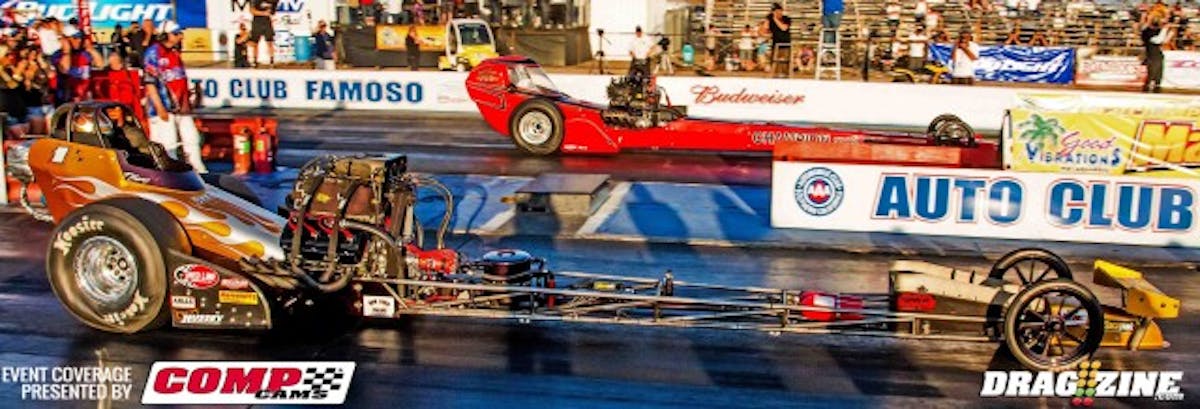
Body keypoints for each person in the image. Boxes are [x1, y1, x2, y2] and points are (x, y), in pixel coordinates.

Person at [143, 21, 206, 173]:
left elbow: (180, 79)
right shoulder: (153, 53)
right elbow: (150, 83)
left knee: (192, 139)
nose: (180, 37)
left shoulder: (175, 53)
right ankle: (171, 174)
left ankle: (198, 170)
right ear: (165, 35)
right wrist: (159, 108)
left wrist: (189, 102)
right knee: (168, 143)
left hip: (181, 107)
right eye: (176, 33)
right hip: (163, 107)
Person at [51, 25, 102, 103]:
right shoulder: (58, 55)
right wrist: (67, 50)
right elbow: (64, 69)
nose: (79, 40)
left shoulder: (84, 54)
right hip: (66, 99)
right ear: (66, 39)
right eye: (75, 38)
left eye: (80, 37)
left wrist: (91, 49)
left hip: (84, 98)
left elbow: (100, 64)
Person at [101, 52, 144, 121]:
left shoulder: (130, 74)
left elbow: (136, 91)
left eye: (116, 62)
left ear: (121, 62)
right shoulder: (107, 75)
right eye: (113, 63)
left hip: (130, 105)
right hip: (115, 105)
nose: (115, 64)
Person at [1142, 17, 1171, 93]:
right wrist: (1165, 29)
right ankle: (1147, 88)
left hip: (1158, 54)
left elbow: (1163, 41)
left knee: (1158, 74)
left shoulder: (1154, 31)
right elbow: (1158, 40)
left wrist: (1169, 34)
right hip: (1152, 55)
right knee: (1152, 73)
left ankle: (1156, 88)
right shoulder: (1147, 32)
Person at [248, 0, 279, 67]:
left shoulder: (272, 1)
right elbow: (252, 11)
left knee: (270, 42)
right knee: (255, 43)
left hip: (267, 22)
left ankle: (272, 61)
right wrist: (264, 13)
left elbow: (272, 12)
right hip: (257, 22)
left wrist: (271, 11)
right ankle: (255, 61)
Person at [765, 3, 791, 77]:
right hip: (775, 43)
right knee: (774, 62)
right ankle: (775, 76)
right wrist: (767, 20)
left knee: (784, 62)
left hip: (785, 44)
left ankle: (784, 75)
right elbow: (765, 29)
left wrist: (775, 19)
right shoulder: (771, 20)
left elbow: (784, 28)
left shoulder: (786, 19)